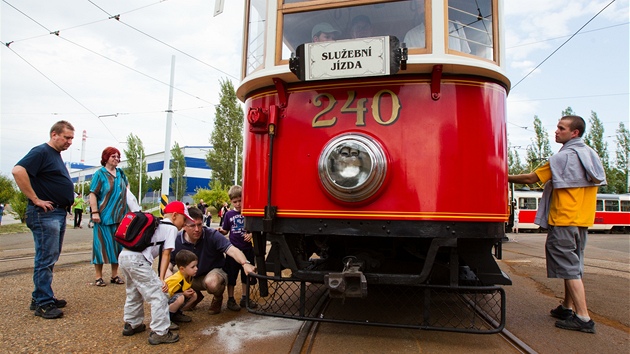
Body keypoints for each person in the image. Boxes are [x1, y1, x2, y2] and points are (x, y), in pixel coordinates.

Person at [508, 115, 606, 334]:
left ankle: (583, 317)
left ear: (575, 133)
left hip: (563, 219)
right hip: (582, 220)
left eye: (561, 128)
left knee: (569, 268)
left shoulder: (562, 158)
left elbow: (531, 179)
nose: (556, 131)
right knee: (575, 266)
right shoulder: (591, 155)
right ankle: (566, 308)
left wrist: (503, 175)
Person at [12, 120, 75, 319]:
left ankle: (41, 295)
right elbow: (18, 170)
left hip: (57, 213)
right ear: (54, 134)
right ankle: (43, 303)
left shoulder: (55, 155)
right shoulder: (41, 151)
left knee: (50, 257)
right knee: (45, 257)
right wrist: (35, 199)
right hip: (45, 214)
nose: (69, 142)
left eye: (71, 138)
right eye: (66, 137)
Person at [119, 201, 194, 345]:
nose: (184, 224)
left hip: (124, 256)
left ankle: (132, 324)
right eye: (183, 219)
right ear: (174, 216)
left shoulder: (158, 223)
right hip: (137, 260)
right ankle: (160, 332)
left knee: (134, 291)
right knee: (160, 294)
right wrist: (161, 279)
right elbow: (166, 255)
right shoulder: (171, 228)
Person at [170, 207, 256, 315]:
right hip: (192, 277)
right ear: (183, 226)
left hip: (212, 273)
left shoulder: (211, 234)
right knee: (169, 277)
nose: (197, 229)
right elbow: (169, 263)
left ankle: (217, 298)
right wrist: (165, 278)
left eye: (199, 224)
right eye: (192, 225)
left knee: (212, 282)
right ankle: (194, 296)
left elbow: (232, 250)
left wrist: (245, 263)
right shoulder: (176, 240)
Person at [89, 147, 129, 287]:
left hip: (121, 216)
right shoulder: (99, 174)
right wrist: (95, 212)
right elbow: (93, 193)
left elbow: (127, 192)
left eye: (118, 156)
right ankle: (98, 276)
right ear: (106, 157)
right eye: (113, 156)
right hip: (103, 216)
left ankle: (114, 275)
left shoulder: (121, 173)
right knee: (100, 245)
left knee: (118, 247)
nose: (116, 159)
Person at [218, 185, 258, 311]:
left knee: (246, 275)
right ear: (231, 202)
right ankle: (230, 299)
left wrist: (251, 234)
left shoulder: (249, 213)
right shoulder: (229, 214)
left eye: (240, 200)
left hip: (247, 249)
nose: (238, 204)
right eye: (235, 201)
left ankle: (245, 298)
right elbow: (226, 230)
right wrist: (221, 231)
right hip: (233, 250)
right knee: (231, 275)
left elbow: (256, 229)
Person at [403, 0, 470, 53]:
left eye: (425, 4)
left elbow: (465, 54)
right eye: (419, 6)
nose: (424, 9)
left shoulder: (456, 26)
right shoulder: (411, 35)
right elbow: (407, 61)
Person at [165, 250, 198, 324]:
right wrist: (183, 293)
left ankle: (176, 314)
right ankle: (166, 320)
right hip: (163, 302)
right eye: (193, 267)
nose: (196, 268)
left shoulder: (189, 276)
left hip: (172, 298)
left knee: (193, 295)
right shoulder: (176, 279)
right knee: (180, 298)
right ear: (182, 269)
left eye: (196, 266)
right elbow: (165, 295)